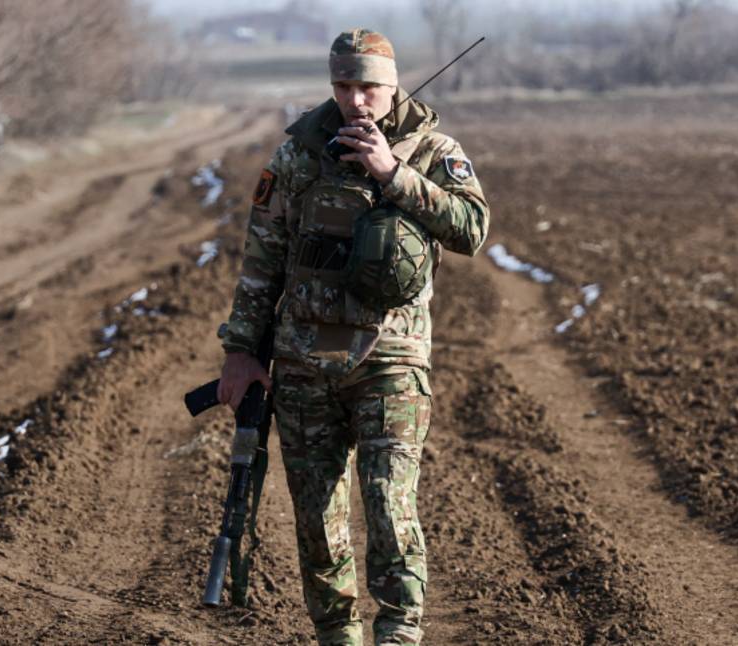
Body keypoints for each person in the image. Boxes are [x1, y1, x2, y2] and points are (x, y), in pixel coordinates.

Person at [216, 28, 489, 646]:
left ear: (392, 85)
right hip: (305, 363)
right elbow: (262, 261)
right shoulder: (296, 158)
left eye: (368, 86)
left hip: (390, 360)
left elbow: (472, 227)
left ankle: (397, 632)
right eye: (344, 85)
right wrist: (241, 352)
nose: (356, 99)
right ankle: (338, 636)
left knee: (391, 506)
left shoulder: (431, 149)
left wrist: (392, 174)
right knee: (316, 518)